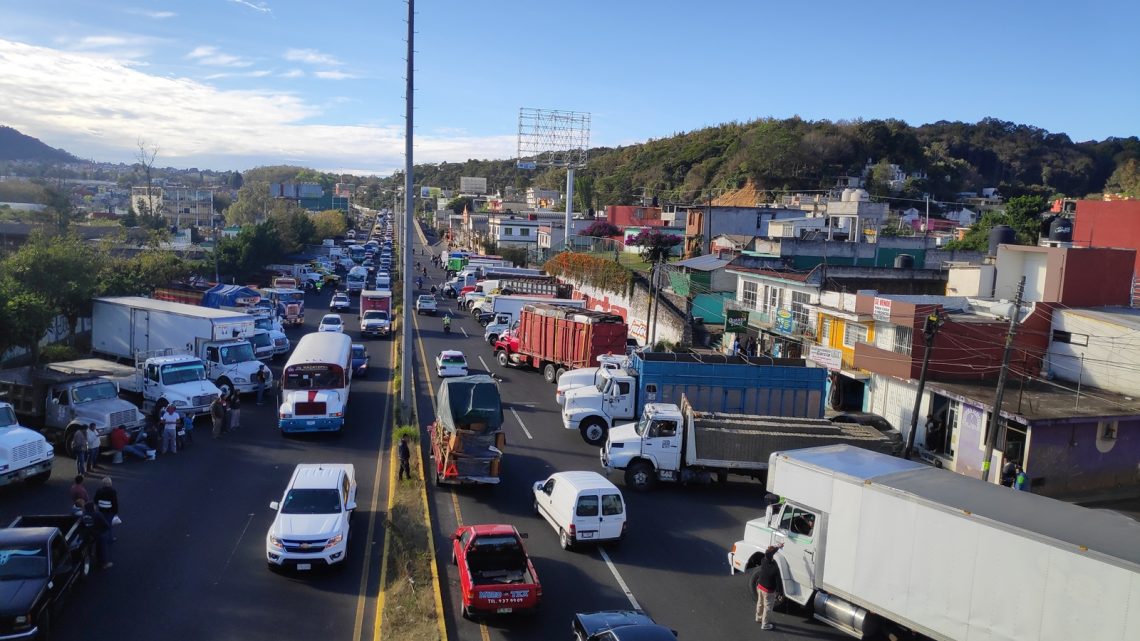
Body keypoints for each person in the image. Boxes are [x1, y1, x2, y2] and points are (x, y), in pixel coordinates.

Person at [74, 498, 112, 570]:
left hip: (91, 533)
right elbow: (105, 524)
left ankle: (96, 558)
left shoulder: (84, 514)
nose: (95, 507)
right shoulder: (97, 514)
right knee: (102, 548)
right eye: (94, 506)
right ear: (92, 507)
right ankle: (104, 564)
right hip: (100, 533)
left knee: (96, 547)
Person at [755, 544, 783, 631]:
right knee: (768, 607)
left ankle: (758, 617)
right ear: (772, 556)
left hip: (759, 586)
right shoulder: (775, 567)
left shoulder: (763, 560)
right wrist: (780, 593)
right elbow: (778, 581)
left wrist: (778, 547)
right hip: (768, 591)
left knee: (760, 603)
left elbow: (770, 552)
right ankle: (765, 624)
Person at [94, 477, 119, 542]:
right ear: (110, 483)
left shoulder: (99, 490)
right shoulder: (112, 491)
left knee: (102, 524)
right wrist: (115, 511)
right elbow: (114, 502)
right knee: (109, 524)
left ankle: (102, 538)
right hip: (110, 511)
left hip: (101, 510)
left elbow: (95, 500)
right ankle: (110, 538)